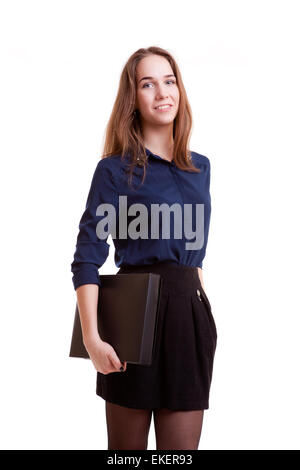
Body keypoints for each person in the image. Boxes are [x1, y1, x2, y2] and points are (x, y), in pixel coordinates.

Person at [70, 46, 217, 450]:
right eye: (147, 84)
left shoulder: (199, 167)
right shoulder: (114, 171)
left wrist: (202, 307)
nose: (162, 92)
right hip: (134, 319)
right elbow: (86, 257)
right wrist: (92, 338)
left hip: (188, 318)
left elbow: (195, 252)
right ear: (132, 99)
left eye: (169, 81)